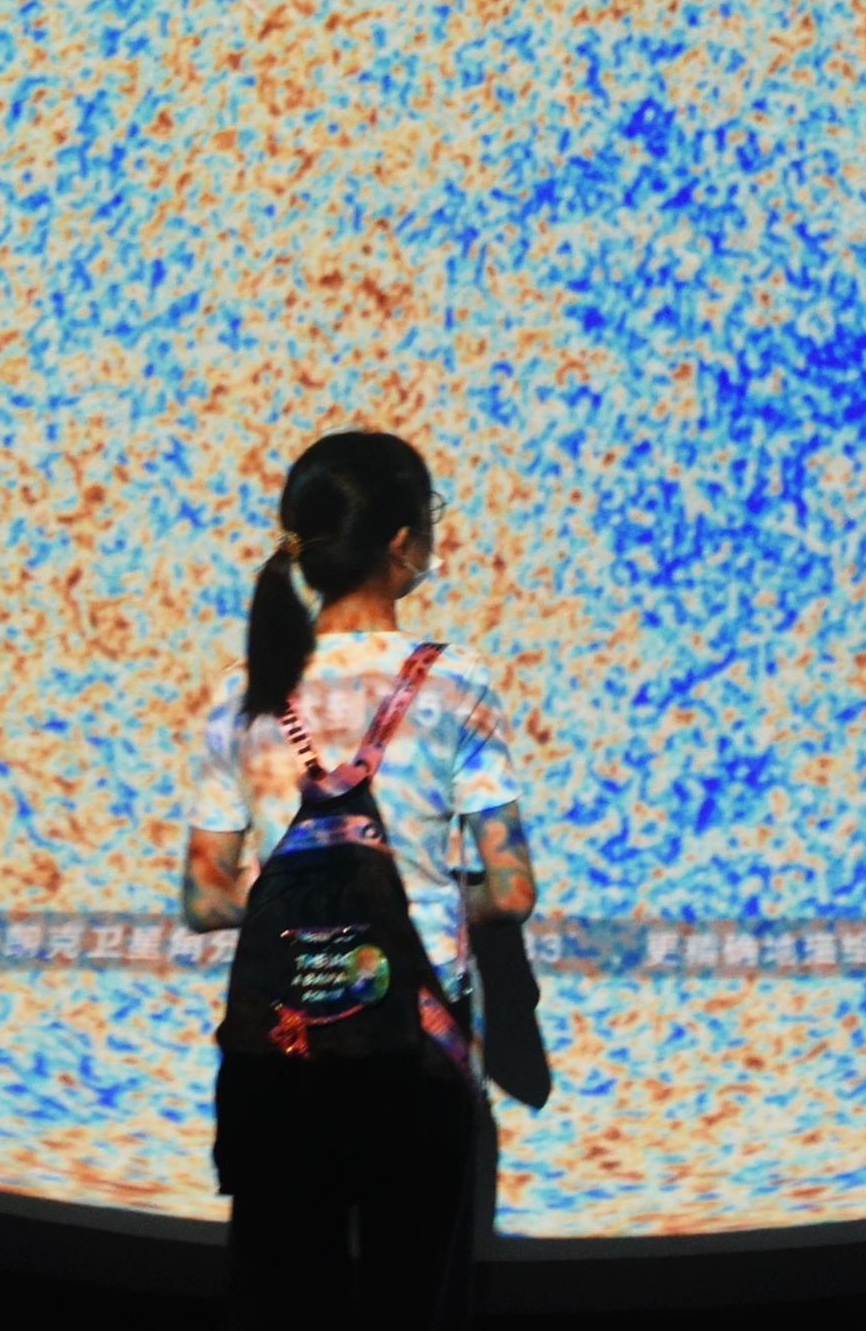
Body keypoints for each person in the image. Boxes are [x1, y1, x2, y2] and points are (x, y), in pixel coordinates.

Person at [175, 429, 539, 1327]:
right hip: (413, 1060)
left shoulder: (242, 690)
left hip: (280, 1057)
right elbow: (514, 891)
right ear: (401, 543)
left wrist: (295, 901)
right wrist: (432, 894)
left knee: (278, 1300)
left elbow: (203, 897)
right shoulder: (455, 684)